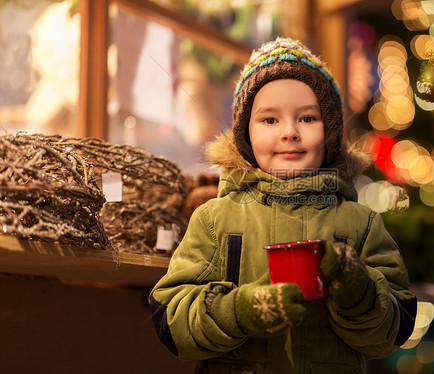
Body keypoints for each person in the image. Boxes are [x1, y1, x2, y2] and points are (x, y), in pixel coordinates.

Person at [149, 37, 417, 373]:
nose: (290, 132)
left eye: (307, 119)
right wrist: (241, 310)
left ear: (330, 132)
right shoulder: (215, 218)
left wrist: (357, 290)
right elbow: (171, 319)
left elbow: (395, 328)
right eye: (270, 120)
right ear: (246, 133)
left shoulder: (360, 223)